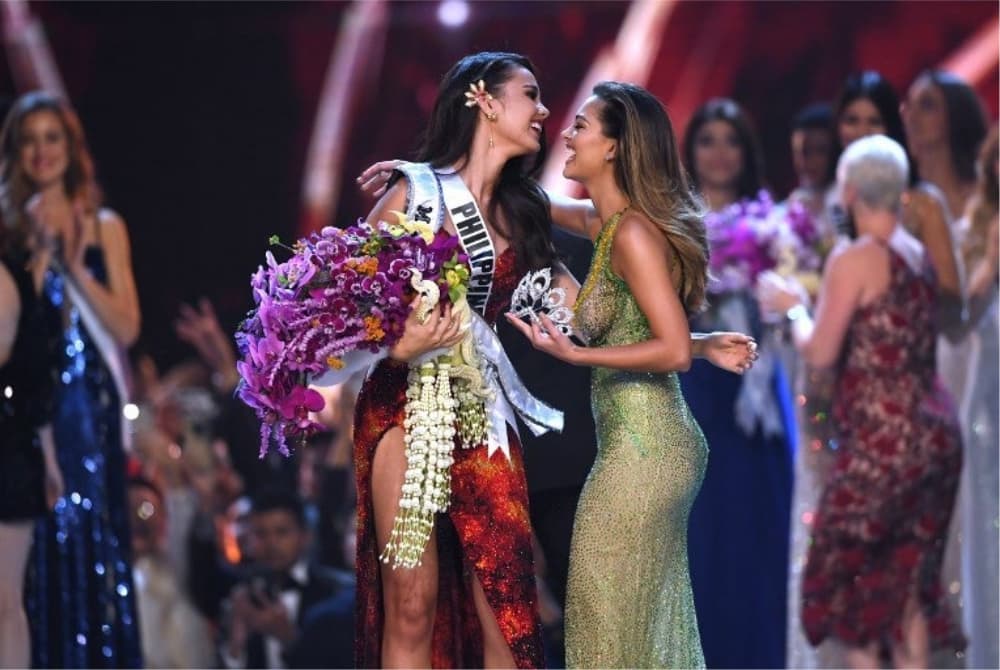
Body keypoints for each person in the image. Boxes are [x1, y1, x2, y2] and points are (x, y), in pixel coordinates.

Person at [354, 53, 756, 669]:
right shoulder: (416, 194)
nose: (547, 112)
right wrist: (398, 344)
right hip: (407, 408)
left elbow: (594, 299)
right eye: (531, 95)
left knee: (508, 613)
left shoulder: (523, 212)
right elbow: (347, 310)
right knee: (414, 602)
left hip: (485, 416)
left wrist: (695, 345)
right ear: (484, 100)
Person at [507, 81, 757, 668]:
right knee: (632, 630)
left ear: (616, 147)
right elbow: (524, 203)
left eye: (582, 127)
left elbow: (667, 353)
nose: (566, 135)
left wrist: (577, 355)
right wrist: (426, 174)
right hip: (637, 447)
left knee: (603, 623)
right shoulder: (610, 226)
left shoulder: (635, 234)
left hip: (646, 454)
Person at [758, 134, 965, 669]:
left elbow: (820, 352)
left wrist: (794, 307)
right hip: (935, 436)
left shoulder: (854, 258)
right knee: (910, 590)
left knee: (855, 589)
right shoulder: (917, 254)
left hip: (883, 444)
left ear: (848, 191)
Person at [0, 91, 143, 667]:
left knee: (96, 536)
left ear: (70, 147)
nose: (41, 151)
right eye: (29, 139)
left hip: (92, 402)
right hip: (30, 408)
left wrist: (74, 261)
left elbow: (127, 327)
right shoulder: (7, 230)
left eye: (52, 137)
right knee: (33, 550)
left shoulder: (103, 225)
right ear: (15, 151)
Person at [680, 97, 794, 669]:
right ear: (690, 151)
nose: (720, 153)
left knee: (757, 530)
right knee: (703, 535)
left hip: (756, 395)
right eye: (707, 139)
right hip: (697, 393)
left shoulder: (776, 225)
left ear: (747, 153)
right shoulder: (670, 225)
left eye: (731, 140)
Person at [0, 161, 63, 668]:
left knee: (4, 603)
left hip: (10, 450)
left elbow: (35, 375)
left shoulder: (15, 275)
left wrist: (48, 459)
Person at [221, 489, 354, 669]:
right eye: (261, 534)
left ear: (305, 537)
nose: (271, 543)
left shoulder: (338, 593)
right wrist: (236, 645)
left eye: (282, 532)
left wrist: (290, 639)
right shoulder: (242, 596)